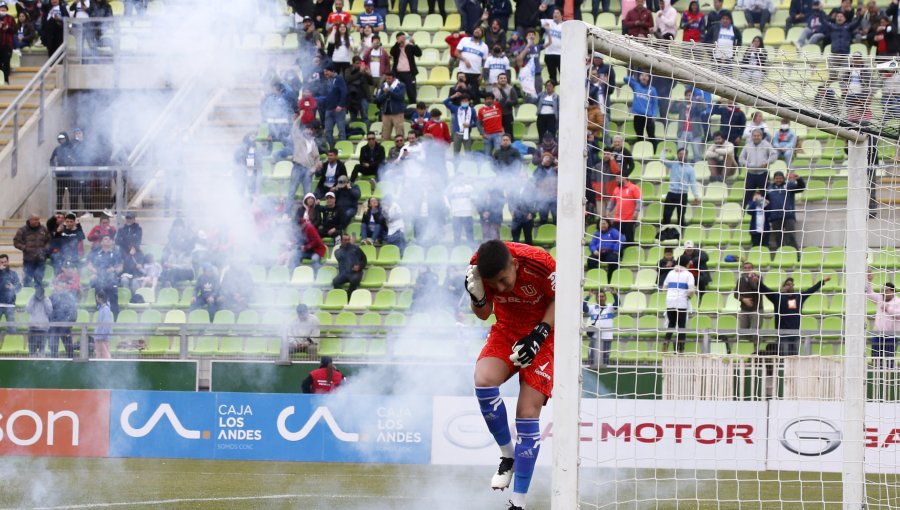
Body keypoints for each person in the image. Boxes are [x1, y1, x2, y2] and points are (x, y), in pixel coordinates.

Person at [465, 240, 556, 510]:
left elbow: (562, 301)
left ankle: (518, 503)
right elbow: (484, 315)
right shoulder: (477, 266)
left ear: (515, 264)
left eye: (504, 280)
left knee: (527, 414)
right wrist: (478, 297)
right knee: (483, 380)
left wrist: (538, 335)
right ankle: (508, 455)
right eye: (496, 284)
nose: (502, 288)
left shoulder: (540, 263)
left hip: (545, 335)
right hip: (506, 329)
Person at [759, 276, 828, 355]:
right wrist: (758, 282)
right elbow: (765, 290)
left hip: (795, 333)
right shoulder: (777, 297)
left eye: (792, 284)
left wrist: (822, 282)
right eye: (788, 284)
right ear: (783, 286)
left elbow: (811, 290)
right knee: (785, 357)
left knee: (795, 357)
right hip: (783, 334)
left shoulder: (798, 297)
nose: (791, 286)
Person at [764, 170, 805, 252]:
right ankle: (781, 256)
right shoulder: (769, 188)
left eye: (780, 178)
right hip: (775, 217)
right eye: (776, 178)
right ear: (774, 179)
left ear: (783, 178)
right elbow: (766, 200)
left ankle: (796, 255)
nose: (778, 180)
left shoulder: (789, 186)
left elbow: (801, 188)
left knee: (791, 236)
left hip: (788, 216)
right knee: (778, 238)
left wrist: (799, 179)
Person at [661, 148, 701, 228]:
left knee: (681, 216)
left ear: (686, 155)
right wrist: (664, 151)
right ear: (677, 155)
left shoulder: (690, 169)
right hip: (671, 193)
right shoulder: (673, 164)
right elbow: (662, 160)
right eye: (680, 154)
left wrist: (696, 196)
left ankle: (680, 235)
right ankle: (664, 233)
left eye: (684, 154)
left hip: (683, 195)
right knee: (666, 215)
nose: (682, 155)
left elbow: (693, 183)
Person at [867, 270, 900, 365]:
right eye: (883, 290)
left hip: (891, 335)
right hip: (878, 334)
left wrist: (888, 309)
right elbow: (869, 293)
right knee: (876, 359)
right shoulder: (880, 298)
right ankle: (875, 377)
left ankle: (889, 377)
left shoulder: (898, 301)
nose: (884, 292)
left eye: (887, 291)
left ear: (892, 291)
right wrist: (869, 281)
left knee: (890, 360)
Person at [289, 119, 322, 212]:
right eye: (307, 129)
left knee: (308, 194)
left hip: (308, 171)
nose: (309, 131)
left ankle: (307, 214)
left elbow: (317, 159)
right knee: (291, 192)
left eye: (311, 129)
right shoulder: (298, 138)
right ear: (304, 130)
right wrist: (301, 116)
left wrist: (314, 169)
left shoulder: (314, 143)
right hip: (297, 167)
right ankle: (287, 212)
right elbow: (294, 128)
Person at [740, 128, 777, 207]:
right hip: (751, 174)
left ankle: (769, 214)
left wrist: (767, 162)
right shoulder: (747, 145)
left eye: (758, 135)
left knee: (766, 194)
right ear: (752, 136)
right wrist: (747, 164)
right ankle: (745, 214)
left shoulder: (767, 144)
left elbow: (774, 155)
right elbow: (741, 158)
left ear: (761, 136)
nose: (756, 137)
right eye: (754, 136)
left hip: (763, 174)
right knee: (748, 195)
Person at [662, 264, 694, 353]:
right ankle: (680, 348)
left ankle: (666, 342)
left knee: (671, 324)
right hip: (681, 302)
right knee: (681, 326)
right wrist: (688, 296)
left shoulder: (670, 273)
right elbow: (691, 290)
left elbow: (664, 287)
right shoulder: (688, 274)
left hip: (670, 302)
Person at [89, 234, 122, 318]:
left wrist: (113, 270)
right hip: (99, 278)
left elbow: (120, 267)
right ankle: (100, 315)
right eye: (105, 239)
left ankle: (114, 318)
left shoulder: (116, 254)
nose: (108, 240)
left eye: (109, 239)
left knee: (113, 297)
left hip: (112, 279)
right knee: (99, 290)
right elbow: (89, 265)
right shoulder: (96, 253)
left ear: (112, 242)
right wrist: (96, 272)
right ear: (101, 242)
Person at [623, 72, 659, 149]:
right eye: (642, 75)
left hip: (648, 117)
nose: (644, 77)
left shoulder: (652, 89)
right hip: (638, 116)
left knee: (651, 136)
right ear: (639, 77)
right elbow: (625, 78)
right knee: (639, 136)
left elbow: (655, 104)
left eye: (646, 76)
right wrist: (633, 77)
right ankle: (640, 152)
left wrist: (654, 115)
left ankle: (655, 153)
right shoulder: (636, 86)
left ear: (649, 78)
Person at [13, 214, 50, 287]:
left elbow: (49, 241)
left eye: (38, 219)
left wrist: (45, 249)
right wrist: (25, 248)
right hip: (28, 259)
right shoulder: (22, 230)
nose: (38, 221)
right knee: (27, 279)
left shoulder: (43, 229)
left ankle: (38, 294)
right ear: (30, 220)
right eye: (35, 219)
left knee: (39, 279)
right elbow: (16, 242)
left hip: (41, 258)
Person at [584, 288, 617, 367]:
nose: (601, 298)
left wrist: (615, 294)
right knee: (592, 361)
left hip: (607, 338)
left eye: (602, 296)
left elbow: (617, 304)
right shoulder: (592, 308)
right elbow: (583, 307)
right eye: (599, 296)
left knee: (605, 362)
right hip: (595, 338)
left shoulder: (610, 307)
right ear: (596, 298)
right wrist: (588, 296)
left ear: (605, 298)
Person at [734, 262, 763, 353]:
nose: (747, 269)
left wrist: (750, 278)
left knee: (755, 332)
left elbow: (755, 288)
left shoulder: (757, 278)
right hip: (744, 310)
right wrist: (743, 299)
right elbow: (736, 294)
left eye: (749, 268)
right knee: (743, 332)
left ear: (752, 269)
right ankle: (746, 352)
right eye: (745, 268)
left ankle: (756, 352)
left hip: (756, 309)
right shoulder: (740, 280)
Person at [606, 175, 641, 245]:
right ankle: (619, 254)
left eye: (618, 178)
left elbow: (639, 201)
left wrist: (636, 212)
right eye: (616, 178)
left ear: (624, 177)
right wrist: (608, 209)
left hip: (629, 218)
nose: (616, 180)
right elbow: (612, 200)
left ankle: (629, 254)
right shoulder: (616, 189)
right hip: (617, 219)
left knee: (629, 238)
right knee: (616, 238)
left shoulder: (634, 188)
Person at [48, 277, 77, 358]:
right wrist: (50, 324)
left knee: (69, 350)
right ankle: (54, 366)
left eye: (62, 286)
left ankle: (71, 365)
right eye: (59, 285)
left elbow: (73, 312)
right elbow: (47, 311)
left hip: (65, 327)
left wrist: (69, 324)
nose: (60, 287)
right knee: (53, 350)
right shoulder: (52, 297)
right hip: (54, 327)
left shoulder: (69, 297)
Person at [375, 71, 407, 143]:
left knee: (399, 133)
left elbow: (400, 97)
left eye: (389, 78)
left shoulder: (401, 85)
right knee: (385, 134)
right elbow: (378, 99)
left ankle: (400, 148)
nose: (387, 80)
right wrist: (385, 94)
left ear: (394, 78)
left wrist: (390, 92)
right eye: (386, 79)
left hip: (397, 113)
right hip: (386, 113)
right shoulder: (383, 85)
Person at [390, 31, 422, 104]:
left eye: (403, 38)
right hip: (398, 74)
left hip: (409, 74)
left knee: (411, 93)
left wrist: (414, 44)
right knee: (398, 92)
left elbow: (419, 54)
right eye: (400, 38)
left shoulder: (409, 46)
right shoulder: (396, 48)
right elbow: (392, 53)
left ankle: (413, 107)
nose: (402, 40)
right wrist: (398, 43)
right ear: (397, 39)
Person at [322, 65, 349, 149]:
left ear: (332, 71)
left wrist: (340, 105)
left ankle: (343, 149)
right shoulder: (327, 80)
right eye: (324, 71)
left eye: (327, 71)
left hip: (338, 109)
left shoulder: (339, 79)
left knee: (341, 130)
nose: (325, 73)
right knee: (328, 131)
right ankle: (332, 149)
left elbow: (344, 92)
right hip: (328, 109)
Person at [456, 26, 489, 91]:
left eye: (480, 30)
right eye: (476, 29)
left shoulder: (485, 46)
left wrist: (482, 75)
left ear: (482, 34)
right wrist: (464, 60)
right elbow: (456, 53)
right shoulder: (464, 40)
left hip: (476, 73)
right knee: (461, 94)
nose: (477, 31)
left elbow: (485, 63)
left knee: (474, 95)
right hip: (462, 72)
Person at [446, 178, 475, 243]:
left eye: (461, 178)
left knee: (469, 233)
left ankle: (471, 248)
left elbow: (476, 193)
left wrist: (471, 183)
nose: (460, 180)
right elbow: (445, 193)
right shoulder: (452, 189)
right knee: (457, 234)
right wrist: (452, 184)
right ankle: (456, 248)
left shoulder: (469, 187)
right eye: (458, 178)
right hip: (456, 214)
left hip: (467, 213)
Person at [26, 284, 51, 355]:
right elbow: (28, 310)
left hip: (43, 328)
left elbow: (49, 311)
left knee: (42, 350)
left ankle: (42, 362)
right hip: (32, 327)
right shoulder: (32, 298)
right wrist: (33, 299)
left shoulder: (47, 299)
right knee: (32, 350)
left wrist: (45, 299)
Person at [539, 8, 563, 83]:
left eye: (557, 13)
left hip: (560, 53)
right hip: (549, 53)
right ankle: (553, 94)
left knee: (563, 77)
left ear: (562, 15)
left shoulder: (565, 25)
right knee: (552, 77)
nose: (555, 14)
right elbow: (534, 21)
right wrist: (540, 10)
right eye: (554, 13)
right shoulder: (548, 22)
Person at [0, 253, 20, 333]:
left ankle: (14, 344)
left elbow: (19, 288)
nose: (3, 264)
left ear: (8, 262)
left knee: (12, 329)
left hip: (10, 305)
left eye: (5, 262)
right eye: (1, 262)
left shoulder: (13, 274)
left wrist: (13, 287)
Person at [92, 289, 112, 358]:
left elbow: (106, 324)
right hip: (99, 337)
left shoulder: (105, 309)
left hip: (103, 338)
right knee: (99, 355)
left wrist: (102, 336)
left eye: (96, 297)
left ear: (100, 298)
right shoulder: (102, 309)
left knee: (105, 355)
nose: (96, 299)